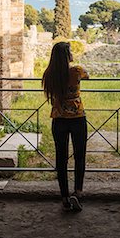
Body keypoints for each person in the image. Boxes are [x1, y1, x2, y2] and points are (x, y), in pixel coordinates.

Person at [42, 41, 89, 212]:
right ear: (67, 55)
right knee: (80, 156)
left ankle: (64, 197)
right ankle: (78, 192)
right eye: (70, 51)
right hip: (77, 118)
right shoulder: (76, 71)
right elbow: (88, 75)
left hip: (58, 120)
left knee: (61, 159)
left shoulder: (49, 74)